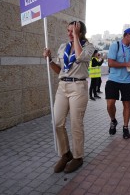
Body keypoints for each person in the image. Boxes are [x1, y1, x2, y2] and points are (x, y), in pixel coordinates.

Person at [42, 21, 94, 173]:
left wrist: (76, 38)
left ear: (80, 32)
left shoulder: (88, 47)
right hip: (62, 87)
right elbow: (59, 70)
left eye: (73, 31)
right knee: (57, 122)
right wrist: (50, 59)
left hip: (78, 87)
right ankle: (66, 154)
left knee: (76, 124)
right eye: (68, 31)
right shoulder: (63, 47)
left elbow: (80, 56)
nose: (69, 33)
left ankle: (78, 157)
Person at [105, 28, 130, 139]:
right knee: (110, 104)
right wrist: (127, 64)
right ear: (127, 35)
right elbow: (110, 63)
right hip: (113, 79)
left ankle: (125, 128)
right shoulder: (115, 45)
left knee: (127, 105)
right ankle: (113, 120)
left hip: (128, 80)